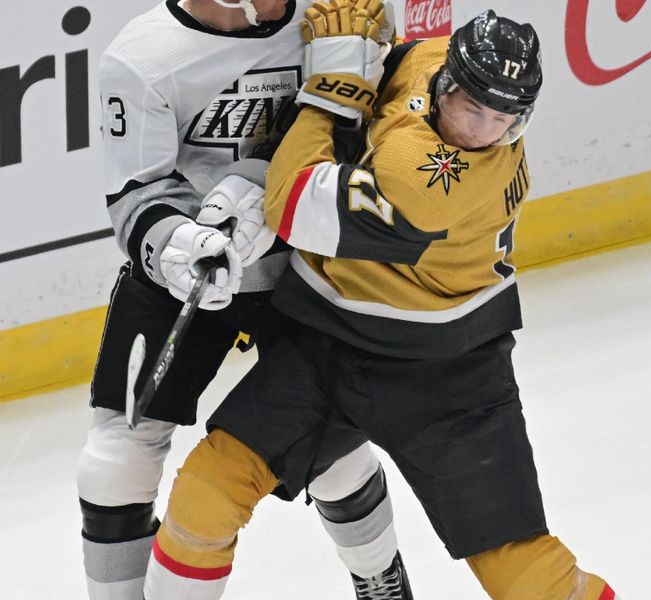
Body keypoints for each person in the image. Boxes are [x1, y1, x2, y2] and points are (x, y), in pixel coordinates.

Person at [142, 7, 618, 600]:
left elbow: (291, 204)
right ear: (448, 80)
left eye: (503, 119)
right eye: (474, 109)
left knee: (524, 574)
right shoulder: (428, 57)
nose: (483, 132)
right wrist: (361, 43)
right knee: (207, 493)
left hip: (446, 374)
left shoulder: (436, 183)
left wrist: (332, 87)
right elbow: (377, 57)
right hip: (326, 340)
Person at [76, 1, 412, 599]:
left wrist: (264, 184)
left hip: (302, 266)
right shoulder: (142, 58)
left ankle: (381, 580)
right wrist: (179, 244)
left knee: (333, 453)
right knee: (115, 462)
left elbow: (375, 131)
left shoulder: (336, 13)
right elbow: (135, 193)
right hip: (194, 269)